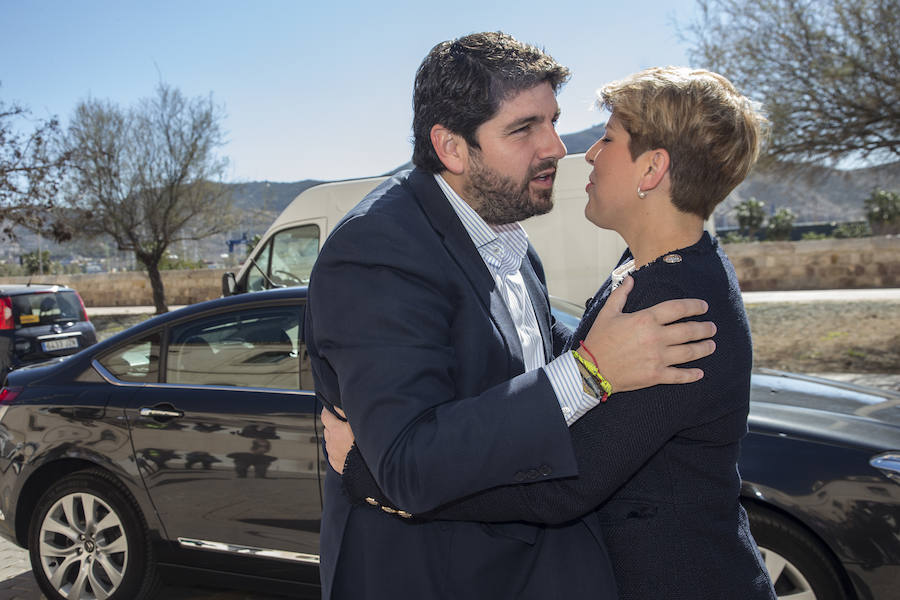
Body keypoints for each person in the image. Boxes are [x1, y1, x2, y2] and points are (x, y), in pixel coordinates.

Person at [328, 66, 777, 599]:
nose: (579, 152)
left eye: (608, 139)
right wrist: (590, 365)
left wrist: (369, 475)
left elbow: (562, 489)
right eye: (525, 127)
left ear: (652, 169)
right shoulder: (645, 266)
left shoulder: (676, 305)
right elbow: (570, 356)